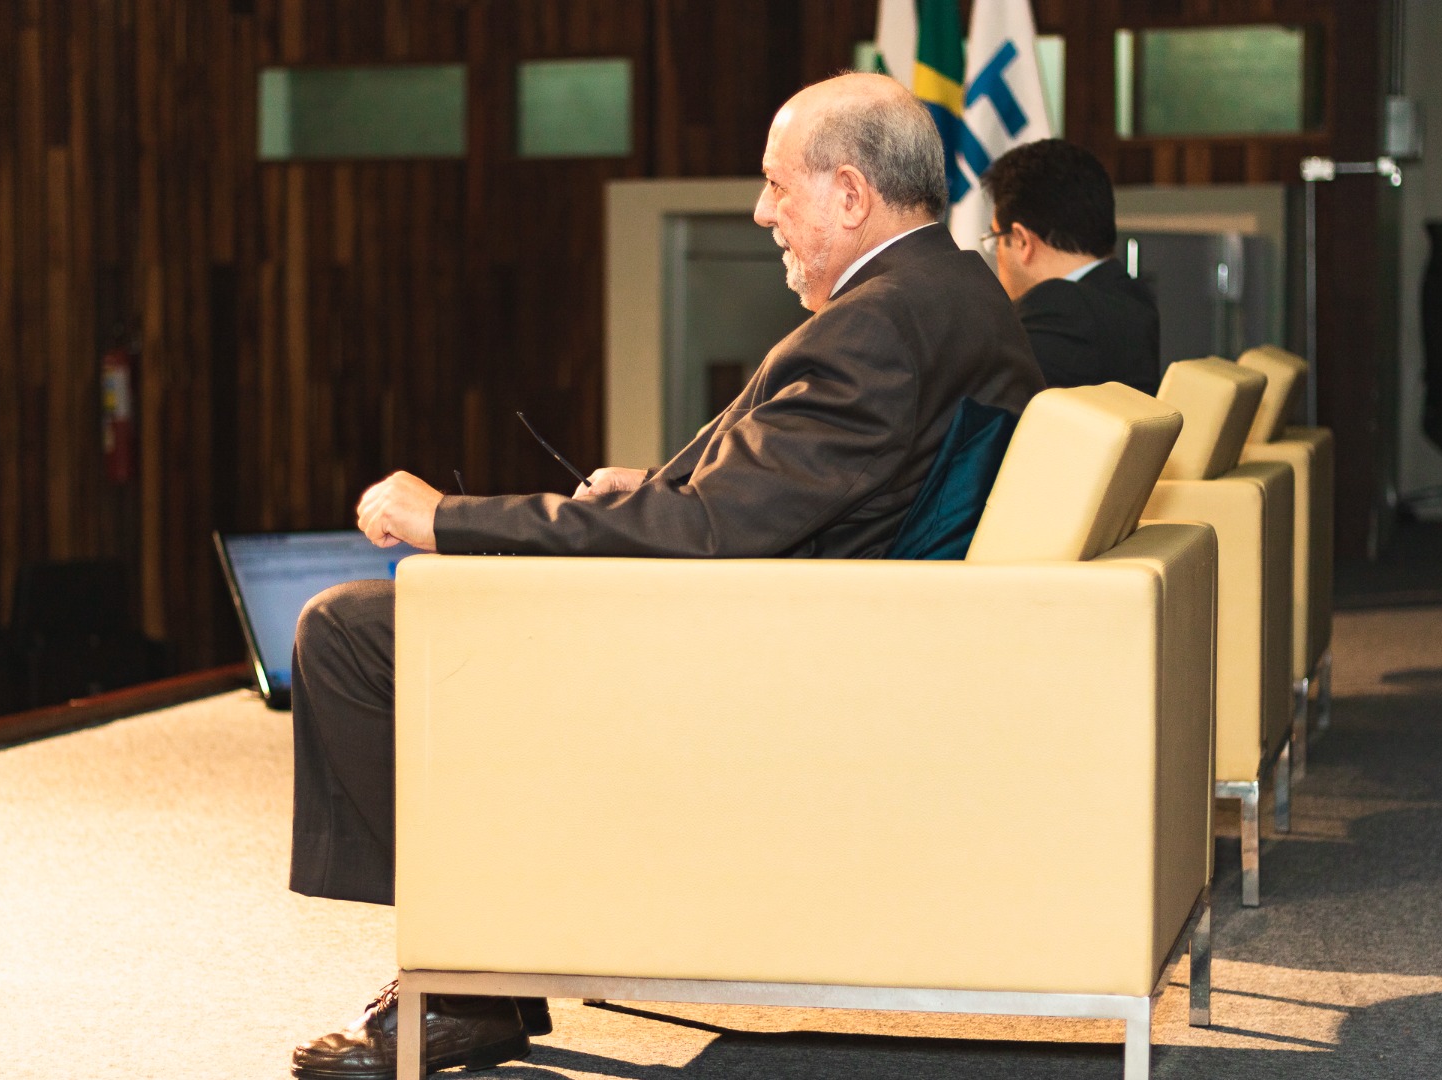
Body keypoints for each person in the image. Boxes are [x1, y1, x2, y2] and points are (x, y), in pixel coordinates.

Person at [288, 71, 1044, 1080]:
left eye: (778, 184)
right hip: (828, 624)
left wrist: (447, 520)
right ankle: (475, 967)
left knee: (350, 630)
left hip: (759, 659)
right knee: (406, 620)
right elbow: (815, 484)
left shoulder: (876, 326)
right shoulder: (957, 294)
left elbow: (704, 535)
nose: (762, 211)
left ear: (850, 195)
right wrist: (661, 481)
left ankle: (466, 985)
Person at [980, 138, 1161, 396]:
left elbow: (976, 406)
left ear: (1021, 240)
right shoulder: (1132, 298)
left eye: (995, 239)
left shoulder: (1056, 311)